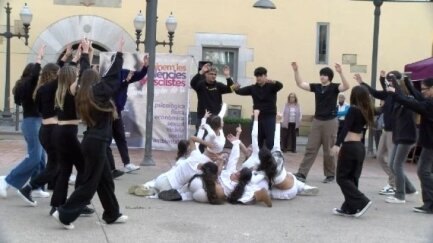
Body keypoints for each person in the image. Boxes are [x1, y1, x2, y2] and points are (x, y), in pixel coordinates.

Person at [52, 38, 127, 229]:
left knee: (105, 181)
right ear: (96, 81)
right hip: (96, 143)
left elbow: (86, 71)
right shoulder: (99, 92)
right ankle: (65, 214)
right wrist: (119, 54)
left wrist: (85, 54)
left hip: (93, 142)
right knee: (89, 185)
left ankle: (112, 213)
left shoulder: (83, 92)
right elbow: (112, 77)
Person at [291, 62, 350, 183]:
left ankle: (330, 174)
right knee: (311, 148)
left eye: (324, 75)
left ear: (329, 77)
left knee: (329, 149)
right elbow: (300, 84)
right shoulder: (316, 87)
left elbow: (346, 86)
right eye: (321, 74)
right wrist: (296, 70)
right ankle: (302, 173)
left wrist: (340, 72)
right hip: (317, 121)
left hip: (330, 121)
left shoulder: (334, 87)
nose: (322, 76)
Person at [0, 46, 46, 199]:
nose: (39, 75)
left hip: (32, 122)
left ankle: (37, 186)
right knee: (34, 157)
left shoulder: (23, 84)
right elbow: (34, 79)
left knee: (40, 157)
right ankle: (7, 180)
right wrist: (38, 59)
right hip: (33, 122)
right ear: (33, 73)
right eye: (38, 73)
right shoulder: (28, 84)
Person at [387, 77, 433, 214]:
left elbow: (413, 103)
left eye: (425, 89)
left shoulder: (430, 104)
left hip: (430, 144)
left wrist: (395, 93)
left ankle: (430, 204)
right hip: (429, 143)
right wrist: (408, 83)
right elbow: (419, 98)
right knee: (425, 171)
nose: (423, 91)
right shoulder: (428, 101)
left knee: (423, 171)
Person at [331, 85, 374, 218]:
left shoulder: (353, 110)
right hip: (360, 148)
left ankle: (362, 201)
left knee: (342, 178)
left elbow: (346, 128)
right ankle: (349, 208)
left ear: (353, 96)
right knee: (352, 178)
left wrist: (337, 144)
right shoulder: (367, 111)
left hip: (350, 147)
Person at [354, 71, 396, 195]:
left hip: (394, 131)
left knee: (392, 160)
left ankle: (393, 184)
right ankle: (401, 182)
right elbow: (375, 93)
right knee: (380, 156)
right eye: (387, 80)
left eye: (391, 80)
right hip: (385, 130)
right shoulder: (387, 95)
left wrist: (383, 80)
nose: (388, 82)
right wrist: (362, 83)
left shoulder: (397, 95)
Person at [106, 55, 149, 176]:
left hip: (117, 112)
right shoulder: (107, 75)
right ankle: (110, 168)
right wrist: (124, 83)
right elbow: (112, 90)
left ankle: (127, 164)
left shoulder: (124, 72)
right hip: (106, 111)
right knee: (107, 140)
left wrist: (145, 67)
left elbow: (139, 75)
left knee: (120, 137)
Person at [382, 75, 418, 204]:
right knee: (393, 164)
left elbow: (402, 97)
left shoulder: (410, 101)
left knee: (397, 165)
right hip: (399, 135)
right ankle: (410, 189)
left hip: (407, 136)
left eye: (393, 85)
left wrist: (397, 85)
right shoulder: (399, 100)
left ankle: (400, 195)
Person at [234, 67, 283, 150]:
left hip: (269, 117)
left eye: (260, 75)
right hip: (257, 118)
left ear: (265, 76)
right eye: (257, 76)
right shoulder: (253, 88)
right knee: (257, 140)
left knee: (270, 141)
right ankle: (258, 158)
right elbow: (238, 91)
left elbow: (280, 85)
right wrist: (234, 86)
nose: (258, 78)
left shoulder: (272, 87)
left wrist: (273, 81)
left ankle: (269, 159)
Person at [190, 63, 235, 132]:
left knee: (214, 141)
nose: (213, 76)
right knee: (201, 139)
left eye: (215, 74)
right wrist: (201, 71)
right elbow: (192, 83)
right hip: (202, 117)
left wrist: (227, 76)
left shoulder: (218, 85)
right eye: (211, 74)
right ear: (206, 74)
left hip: (215, 119)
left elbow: (231, 89)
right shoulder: (201, 85)